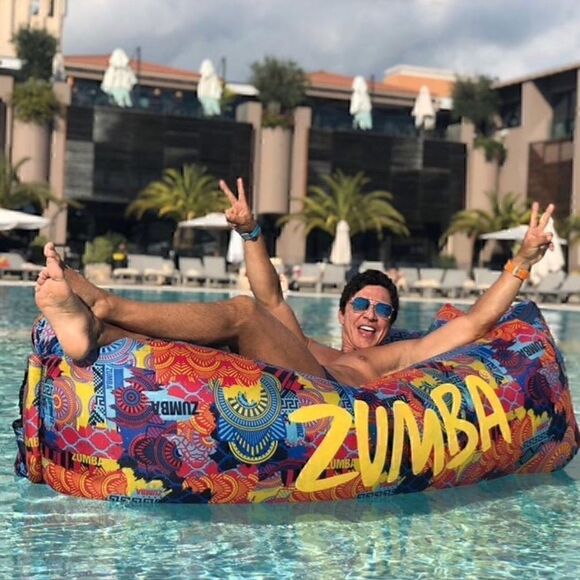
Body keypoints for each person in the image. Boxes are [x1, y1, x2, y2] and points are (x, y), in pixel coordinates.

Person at [35, 180, 555, 386]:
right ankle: (95, 330)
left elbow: (476, 323)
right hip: (297, 370)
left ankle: (104, 304)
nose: (371, 315)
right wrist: (250, 231)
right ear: (343, 311)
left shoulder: (393, 357)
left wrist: (523, 259)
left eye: (383, 310)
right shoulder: (301, 343)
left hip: (329, 398)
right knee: (215, 330)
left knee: (244, 313)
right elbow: (273, 295)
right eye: (363, 305)